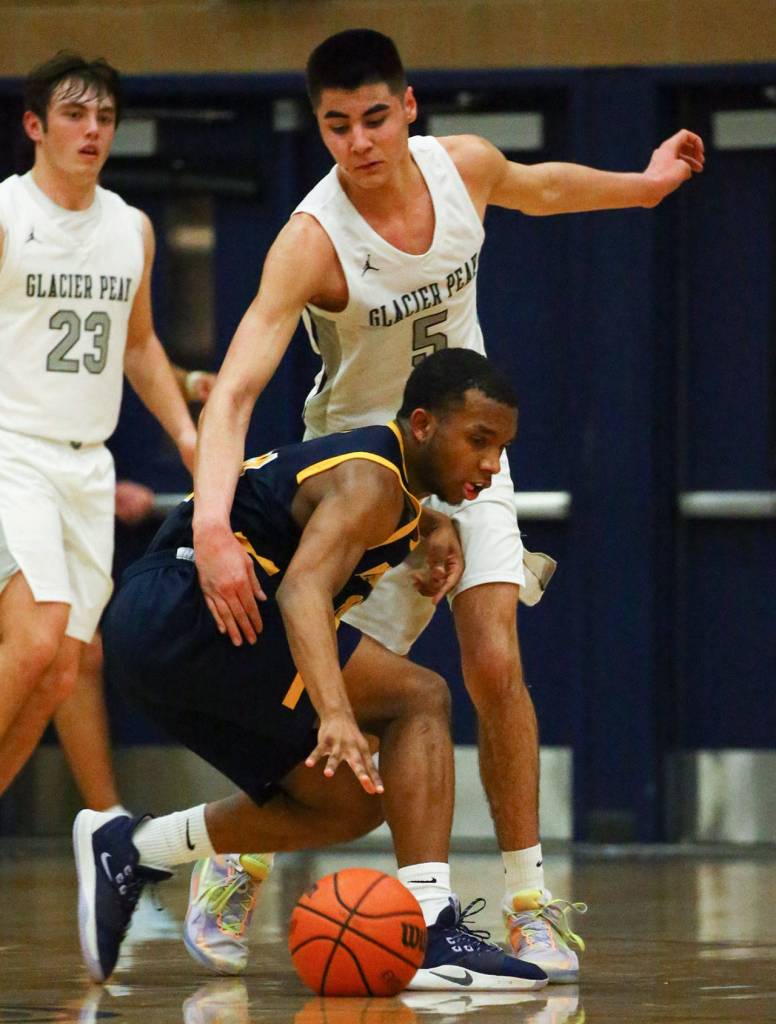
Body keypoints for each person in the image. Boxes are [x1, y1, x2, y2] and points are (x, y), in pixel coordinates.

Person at [185, 29, 705, 982]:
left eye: (375, 118)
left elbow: (543, 188)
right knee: (323, 688)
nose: (359, 141)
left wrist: (644, 185)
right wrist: (212, 522)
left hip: (466, 456)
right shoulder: (311, 240)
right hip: (360, 478)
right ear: (319, 128)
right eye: (337, 125)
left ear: (409, 107)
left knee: (495, 659)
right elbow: (235, 391)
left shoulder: (461, 167)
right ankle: (240, 851)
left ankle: (530, 905)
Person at [74, 349, 547, 994]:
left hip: (159, 637)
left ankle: (133, 850)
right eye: (479, 441)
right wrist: (334, 713)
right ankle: (432, 929)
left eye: (502, 448)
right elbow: (302, 592)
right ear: (421, 425)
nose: (492, 464)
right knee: (419, 698)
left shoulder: (384, 486)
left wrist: (428, 525)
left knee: (348, 805)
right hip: (189, 608)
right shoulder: (372, 480)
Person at [0, 52, 198, 797]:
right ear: (35, 126)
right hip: (13, 451)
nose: (92, 130)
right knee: (36, 636)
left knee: (61, 670)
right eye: (74, 115)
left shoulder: (131, 228)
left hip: (89, 467)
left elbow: (138, 345)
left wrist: (187, 435)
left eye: (105, 117)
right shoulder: (7, 213)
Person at [54, 369, 216, 816]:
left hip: (53, 475)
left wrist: (188, 390)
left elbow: (126, 348)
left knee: (74, 650)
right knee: (48, 647)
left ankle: (105, 824)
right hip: (25, 476)